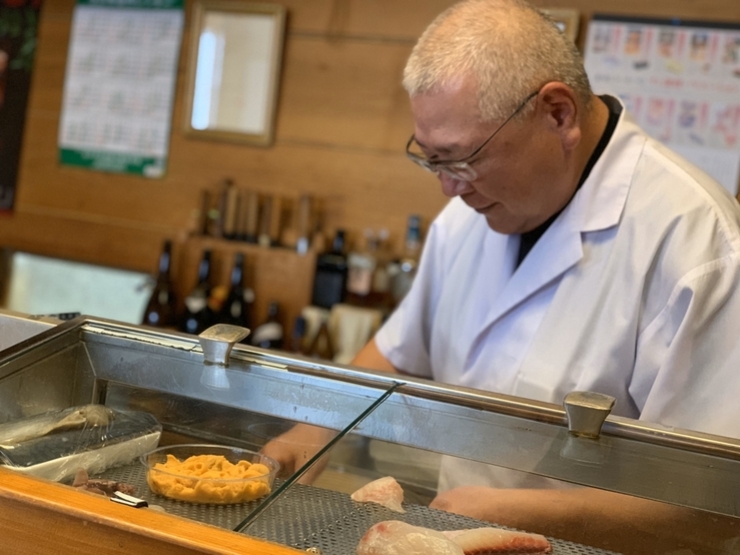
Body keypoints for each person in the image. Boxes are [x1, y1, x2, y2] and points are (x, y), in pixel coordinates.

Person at [263, 0, 740, 550]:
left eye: (462, 158)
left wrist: (515, 513)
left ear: (557, 114)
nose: (447, 187)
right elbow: (398, 351)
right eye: (432, 159)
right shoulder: (466, 216)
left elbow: (715, 506)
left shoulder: (698, 244)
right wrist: (308, 434)